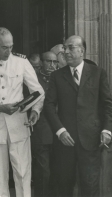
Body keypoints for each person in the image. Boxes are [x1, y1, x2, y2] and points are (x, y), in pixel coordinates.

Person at [0, 27, 44, 197]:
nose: (9, 51)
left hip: (19, 124)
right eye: (5, 47)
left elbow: (38, 91)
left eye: (11, 46)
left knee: (23, 172)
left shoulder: (21, 62)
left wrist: (35, 110)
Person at [44, 35, 112, 197]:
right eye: (64, 48)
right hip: (65, 143)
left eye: (70, 48)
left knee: (90, 187)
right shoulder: (57, 76)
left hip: (91, 142)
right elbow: (48, 106)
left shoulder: (98, 73)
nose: (65, 52)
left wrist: (107, 130)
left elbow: (107, 105)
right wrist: (60, 131)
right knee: (64, 187)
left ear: (82, 51)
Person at [31, 51, 58, 197]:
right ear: (41, 62)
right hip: (42, 132)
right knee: (43, 171)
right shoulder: (33, 80)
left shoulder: (60, 78)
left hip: (59, 132)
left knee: (57, 171)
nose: (52, 65)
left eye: (55, 62)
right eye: (49, 61)